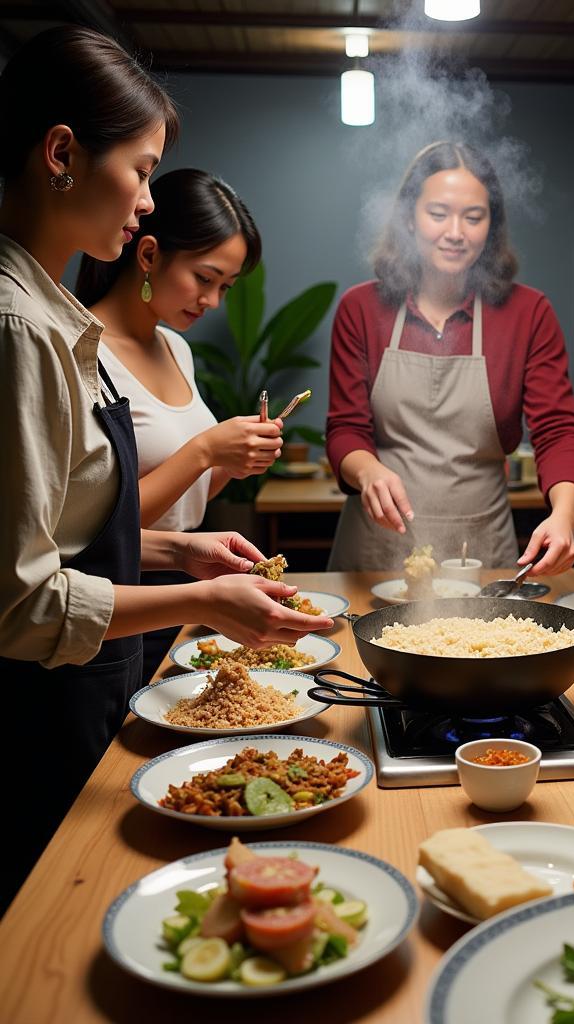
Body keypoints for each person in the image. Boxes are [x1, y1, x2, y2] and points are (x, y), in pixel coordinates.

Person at [0, 26, 332, 909]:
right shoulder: (24, 328)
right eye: (142, 169)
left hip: (100, 668)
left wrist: (186, 553)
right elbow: (25, 603)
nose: (146, 200)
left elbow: (86, 525)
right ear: (62, 153)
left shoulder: (50, 314)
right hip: (44, 699)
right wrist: (198, 592)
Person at [325, 141, 574, 574]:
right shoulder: (362, 308)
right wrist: (369, 471)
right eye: (438, 213)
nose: (455, 232)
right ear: (409, 217)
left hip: (481, 548)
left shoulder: (528, 312)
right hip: (376, 547)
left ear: (491, 226)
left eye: (473, 217)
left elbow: (558, 430)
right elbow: (345, 428)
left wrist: (564, 515)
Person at [75, 168, 284, 681]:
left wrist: (234, 462)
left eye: (226, 287)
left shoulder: (176, 348)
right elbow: (92, 530)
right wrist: (207, 450)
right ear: (148, 255)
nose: (213, 301)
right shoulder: (83, 350)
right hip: (117, 601)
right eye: (205, 278)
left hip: (188, 587)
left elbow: (185, 504)